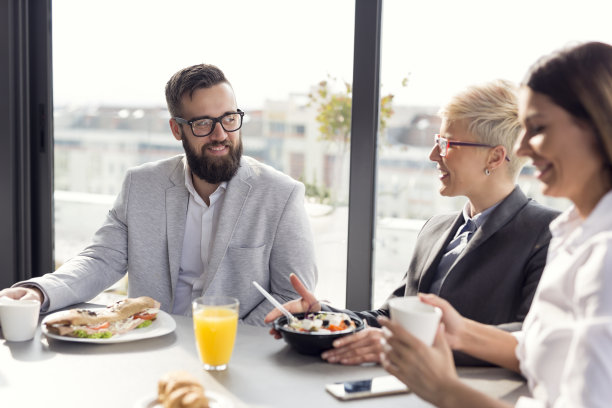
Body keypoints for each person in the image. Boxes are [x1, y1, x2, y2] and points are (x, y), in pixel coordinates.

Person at [378, 41, 612, 407]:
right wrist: (458, 330)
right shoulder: (572, 233)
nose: (521, 147)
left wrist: (446, 391)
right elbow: (540, 347)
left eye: (537, 127)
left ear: (595, 126)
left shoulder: (603, 253)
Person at [265, 80, 559, 365]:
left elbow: (531, 339)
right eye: (436, 141)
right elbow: (389, 319)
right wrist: (323, 317)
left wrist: (411, 345)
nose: (434, 155)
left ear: (495, 158)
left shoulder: (548, 234)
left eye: (446, 144)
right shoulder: (436, 229)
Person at [0, 64, 317, 326]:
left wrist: (227, 341)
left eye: (229, 119)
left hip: (236, 353)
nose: (221, 135)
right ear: (177, 129)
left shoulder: (282, 195)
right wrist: (41, 291)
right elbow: (101, 259)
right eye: (204, 123)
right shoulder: (141, 185)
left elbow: (292, 298)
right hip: (149, 345)